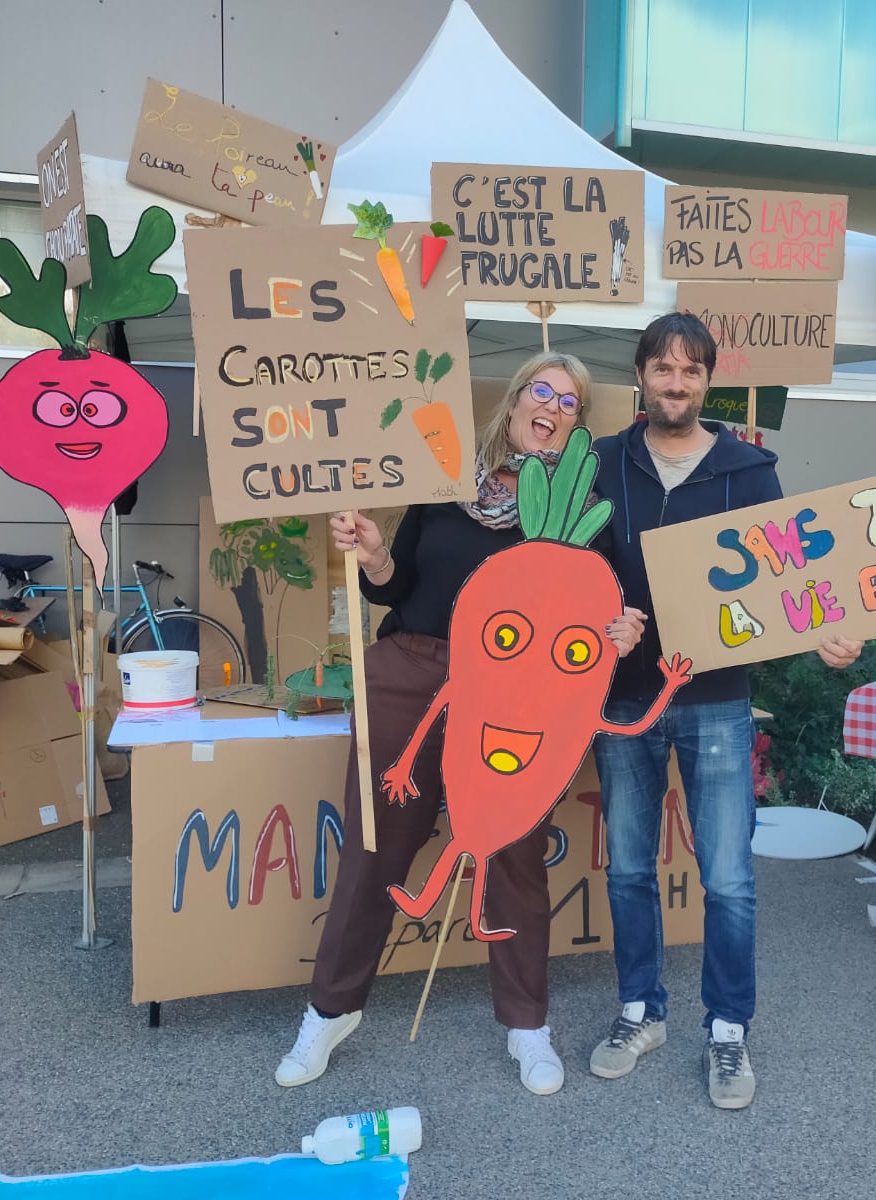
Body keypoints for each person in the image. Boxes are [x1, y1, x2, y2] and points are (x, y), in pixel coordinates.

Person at [274, 352, 645, 1097]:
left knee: (512, 852)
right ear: (512, 407)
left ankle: (526, 1023)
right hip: (409, 671)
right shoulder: (443, 487)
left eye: (569, 402)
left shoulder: (580, 515)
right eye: (540, 390)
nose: (552, 405)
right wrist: (375, 556)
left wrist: (619, 630)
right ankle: (330, 1010)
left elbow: (601, 611)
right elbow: (396, 586)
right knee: (376, 849)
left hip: (516, 694)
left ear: (576, 427)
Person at [585, 311, 863, 1110]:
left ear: (708, 380)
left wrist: (823, 636)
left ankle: (727, 1029)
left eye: (691, 371)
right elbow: (571, 569)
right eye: (663, 369)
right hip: (623, 698)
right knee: (630, 868)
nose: (676, 383)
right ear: (639, 374)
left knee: (731, 880)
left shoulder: (749, 470)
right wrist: (600, 618)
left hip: (715, 698)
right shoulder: (600, 464)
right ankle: (639, 1012)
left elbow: (785, 578)